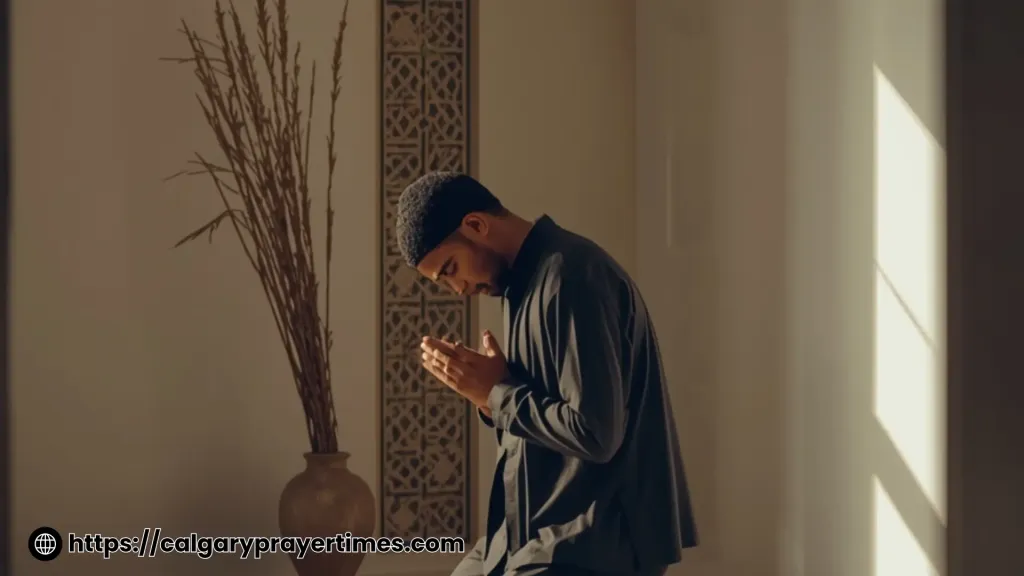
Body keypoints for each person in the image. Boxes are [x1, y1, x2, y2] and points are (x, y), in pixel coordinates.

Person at [395, 172, 698, 576]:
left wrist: (497, 394)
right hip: (533, 534)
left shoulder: (572, 278)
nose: (458, 289)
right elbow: (539, 417)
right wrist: (487, 397)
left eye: (450, 268)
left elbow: (595, 433)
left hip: (595, 538)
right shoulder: (521, 285)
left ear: (476, 226)